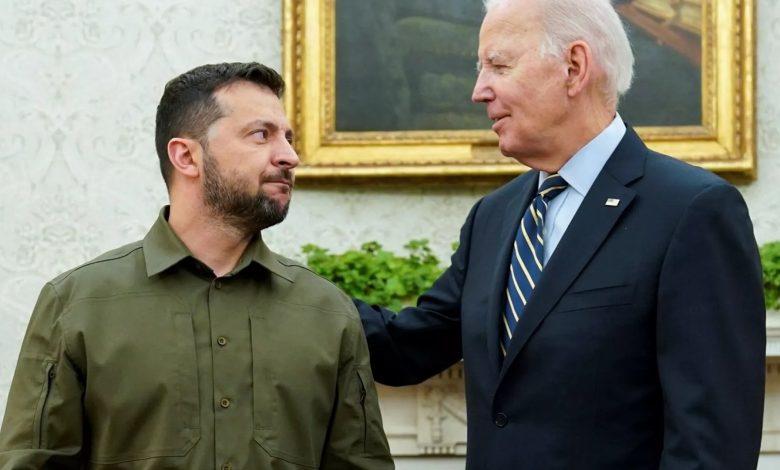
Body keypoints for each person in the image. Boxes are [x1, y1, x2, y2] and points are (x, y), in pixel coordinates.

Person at [355, 0, 766, 469]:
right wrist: (287, 286)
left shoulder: (691, 211)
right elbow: (409, 348)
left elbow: (711, 446)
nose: (479, 91)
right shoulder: (493, 215)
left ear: (574, 67)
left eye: (498, 66)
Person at [0, 62, 393, 469]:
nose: (290, 156)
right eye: (262, 135)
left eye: (288, 139)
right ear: (187, 156)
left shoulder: (328, 312)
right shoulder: (76, 304)